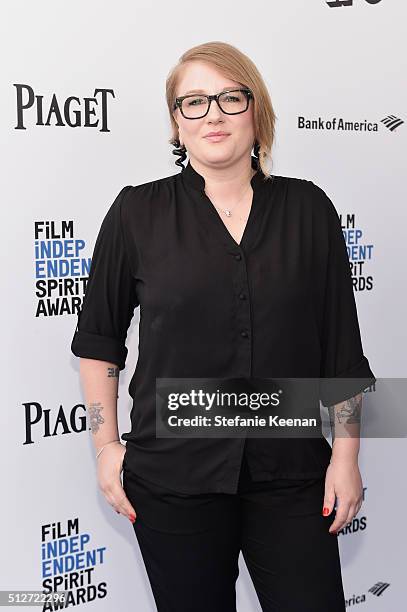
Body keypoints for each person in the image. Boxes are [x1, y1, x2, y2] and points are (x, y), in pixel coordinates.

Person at [71, 41, 376, 611]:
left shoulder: (309, 210)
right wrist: (106, 445)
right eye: (194, 102)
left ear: (256, 112)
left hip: (292, 476)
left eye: (230, 98)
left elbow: (342, 350)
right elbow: (98, 343)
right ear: (176, 124)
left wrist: (346, 455)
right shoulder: (137, 213)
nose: (213, 114)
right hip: (171, 479)